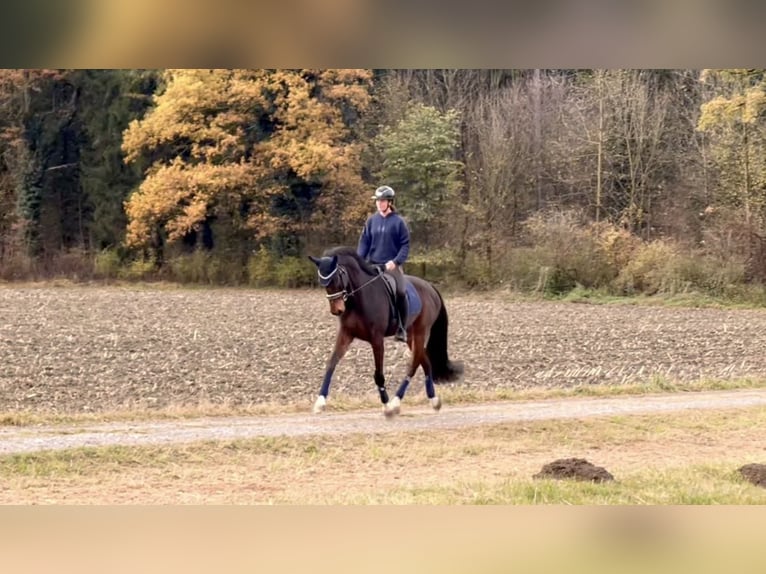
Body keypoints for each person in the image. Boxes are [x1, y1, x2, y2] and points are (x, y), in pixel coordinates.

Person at [357, 185, 411, 343]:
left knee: (400, 291)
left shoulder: (399, 222)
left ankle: (401, 327)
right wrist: (360, 260)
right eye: (378, 201)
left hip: (391, 266)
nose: (379, 204)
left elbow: (405, 245)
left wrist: (395, 262)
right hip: (372, 263)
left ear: (390, 202)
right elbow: (364, 242)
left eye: (383, 201)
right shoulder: (371, 221)